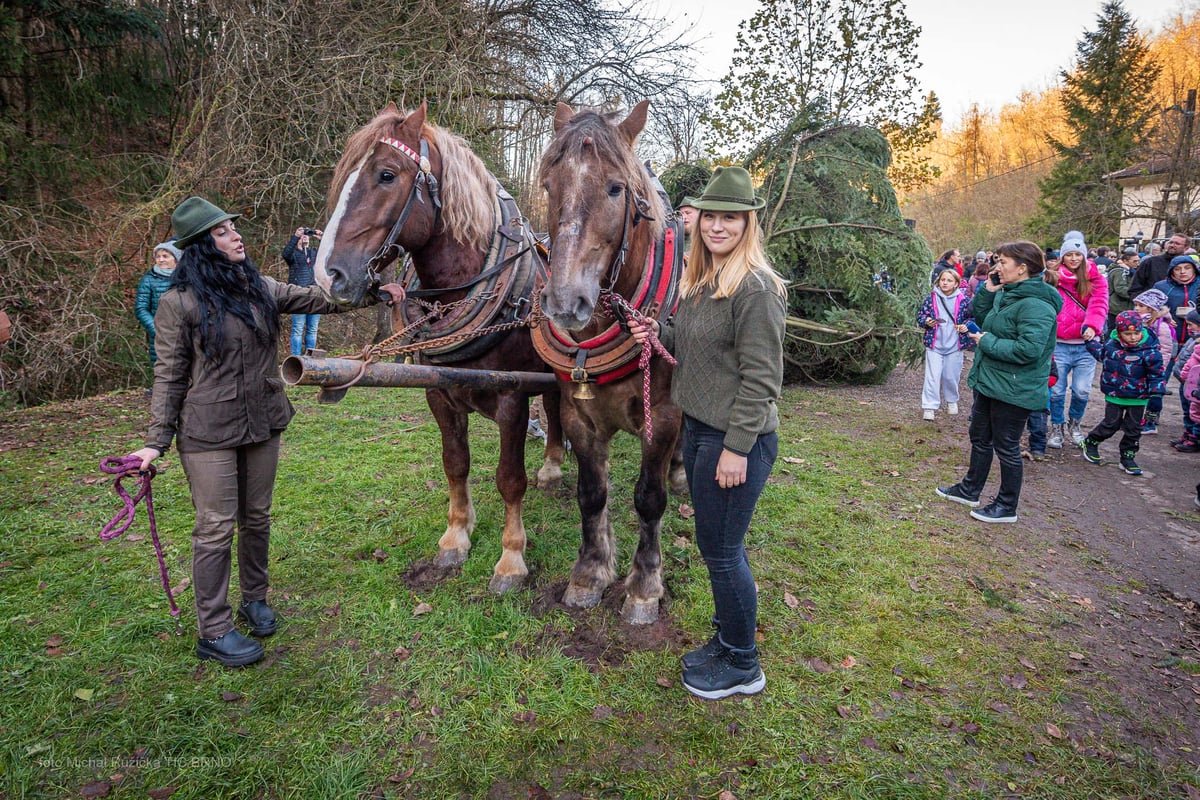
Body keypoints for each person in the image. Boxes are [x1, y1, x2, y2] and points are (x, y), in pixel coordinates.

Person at [126, 197, 404, 668]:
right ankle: (213, 629)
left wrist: (375, 289)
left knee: (257, 516)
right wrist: (155, 442)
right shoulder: (178, 303)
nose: (236, 235)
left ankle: (254, 600)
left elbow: (320, 299)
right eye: (223, 231)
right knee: (214, 528)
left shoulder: (259, 287)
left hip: (263, 420)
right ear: (200, 247)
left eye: (233, 227)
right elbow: (170, 375)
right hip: (207, 430)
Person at [629, 167, 786, 700]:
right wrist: (658, 331)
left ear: (748, 224)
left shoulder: (756, 289)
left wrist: (737, 449)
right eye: (711, 217)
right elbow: (690, 340)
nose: (717, 227)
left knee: (723, 551)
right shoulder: (701, 280)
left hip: (734, 440)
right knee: (712, 544)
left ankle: (744, 663)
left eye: (730, 219)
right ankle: (727, 641)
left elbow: (763, 380)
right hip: (697, 430)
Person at [935, 241, 1061, 524]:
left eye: (1003, 262)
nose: (997, 267)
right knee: (980, 437)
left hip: (1015, 387)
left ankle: (1006, 506)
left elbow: (1029, 350)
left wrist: (987, 341)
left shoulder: (1037, 305)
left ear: (1023, 268)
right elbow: (980, 316)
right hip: (991, 381)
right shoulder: (1008, 294)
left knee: (1006, 446)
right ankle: (970, 489)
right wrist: (988, 290)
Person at [1078, 311, 1166, 475]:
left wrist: (1156, 393)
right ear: (1119, 333)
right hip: (1115, 394)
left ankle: (1127, 457)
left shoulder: (1150, 351)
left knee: (1133, 429)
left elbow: (1157, 375)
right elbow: (1100, 353)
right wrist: (1089, 341)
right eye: (1128, 334)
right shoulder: (1112, 346)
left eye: (1136, 333)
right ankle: (1091, 441)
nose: (1133, 337)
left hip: (1138, 397)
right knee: (1111, 423)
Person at [1045, 231, 1108, 448]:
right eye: (1069, 254)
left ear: (1084, 256)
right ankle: (1056, 427)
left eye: (1078, 254)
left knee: (1082, 390)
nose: (1074, 258)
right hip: (1059, 343)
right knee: (1056, 390)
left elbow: (1099, 304)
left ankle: (1075, 423)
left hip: (1085, 345)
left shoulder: (1096, 278)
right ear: (1063, 256)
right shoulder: (1052, 277)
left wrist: (1092, 326)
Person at [917, 267, 972, 420]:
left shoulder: (964, 300)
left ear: (956, 284)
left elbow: (972, 317)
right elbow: (921, 316)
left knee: (950, 376)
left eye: (949, 280)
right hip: (935, 344)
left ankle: (952, 400)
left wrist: (965, 325)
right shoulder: (931, 298)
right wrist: (927, 321)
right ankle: (929, 407)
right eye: (943, 280)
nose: (945, 283)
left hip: (955, 344)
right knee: (932, 376)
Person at [1130, 288, 1174, 434]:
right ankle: (1136, 419)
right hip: (1140, 365)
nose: (1136, 308)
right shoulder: (1138, 323)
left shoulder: (1161, 326)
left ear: (1151, 308)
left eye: (1140, 306)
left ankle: (1150, 421)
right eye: (1136, 305)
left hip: (1156, 366)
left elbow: (1166, 349)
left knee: (1155, 393)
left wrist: (1160, 366)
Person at [134, 241, 182, 367]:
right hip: (160, 336)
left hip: (186, 333)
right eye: (158, 256)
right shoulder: (148, 280)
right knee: (163, 371)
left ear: (176, 258)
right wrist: (156, 330)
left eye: (165, 256)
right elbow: (141, 308)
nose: (161, 260)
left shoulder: (186, 278)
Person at [282, 226, 323, 356]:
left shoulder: (314, 253)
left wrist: (322, 239)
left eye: (307, 235)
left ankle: (310, 358)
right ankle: (296, 358)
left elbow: (328, 253)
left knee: (312, 330)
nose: (305, 236)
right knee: (298, 329)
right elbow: (285, 253)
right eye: (302, 235)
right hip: (298, 295)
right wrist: (296, 236)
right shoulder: (293, 255)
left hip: (315, 295)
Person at [1152, 254, 1199, 359]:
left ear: (1194, 269)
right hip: (1167, 340)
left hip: (1195, 341)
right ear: (1171, 271)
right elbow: (1149, 309)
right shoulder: (1161, 286)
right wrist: (1162, 316)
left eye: (1187, 268)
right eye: (1177, 269)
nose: (1182, 272)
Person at [1105, 249, 1137, 334]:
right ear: (1125, 261)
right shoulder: (1120, 271)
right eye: (1134, 261)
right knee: (1114, 331)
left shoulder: (1127, 271)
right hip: (1117, 307)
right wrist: (1135, 294)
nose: (1137, 263)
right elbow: (1120, 289)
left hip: (1122, 306)